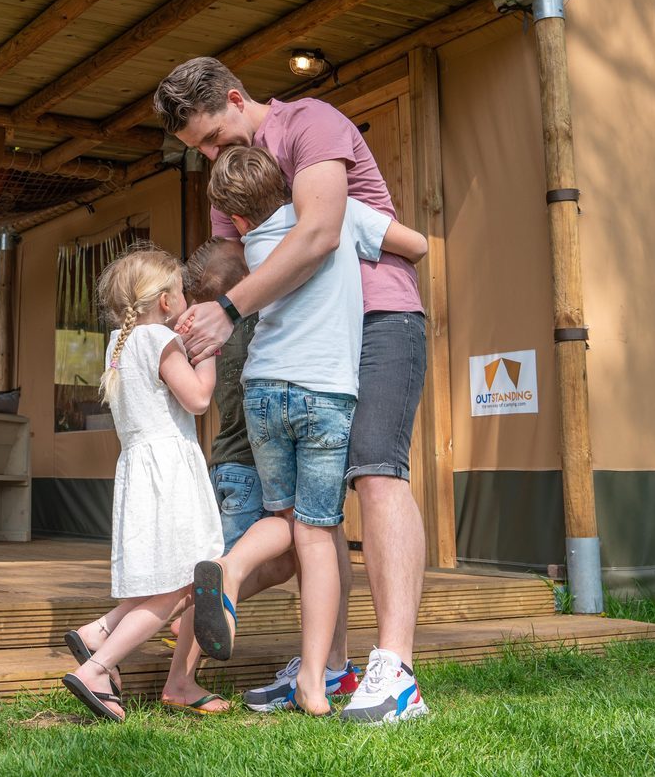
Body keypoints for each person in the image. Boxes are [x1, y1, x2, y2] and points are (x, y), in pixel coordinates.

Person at [156, 57, 432, 725]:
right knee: (314, 514)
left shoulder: (310, 122)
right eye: (199, 151)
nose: (213, 154)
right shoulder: (234, 184)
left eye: (214, 137)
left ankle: (395, 668)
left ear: (235, 96)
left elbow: (319, 231)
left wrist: (227, 310)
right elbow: (237, 266)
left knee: (375, 471)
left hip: (376, 320)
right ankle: (329, 666)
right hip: (304, 355)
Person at [61, 245, 229, 721]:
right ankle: (99, 665)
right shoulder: (158, 339)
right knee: (184, 584)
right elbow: (196, 399)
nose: (184, 298)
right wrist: (209, 350)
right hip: (170, 469)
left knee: (171, 577)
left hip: (140, 467)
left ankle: (103, 630)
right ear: (164, 300)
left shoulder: (120, 342)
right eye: (179, 290)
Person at [183, 238, 264, 550]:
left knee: (223, 553)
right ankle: (203, 600)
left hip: (221, 462)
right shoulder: (259, 323)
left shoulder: (212, 337)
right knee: (229, 562)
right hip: (249, 466)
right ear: (246, 281)